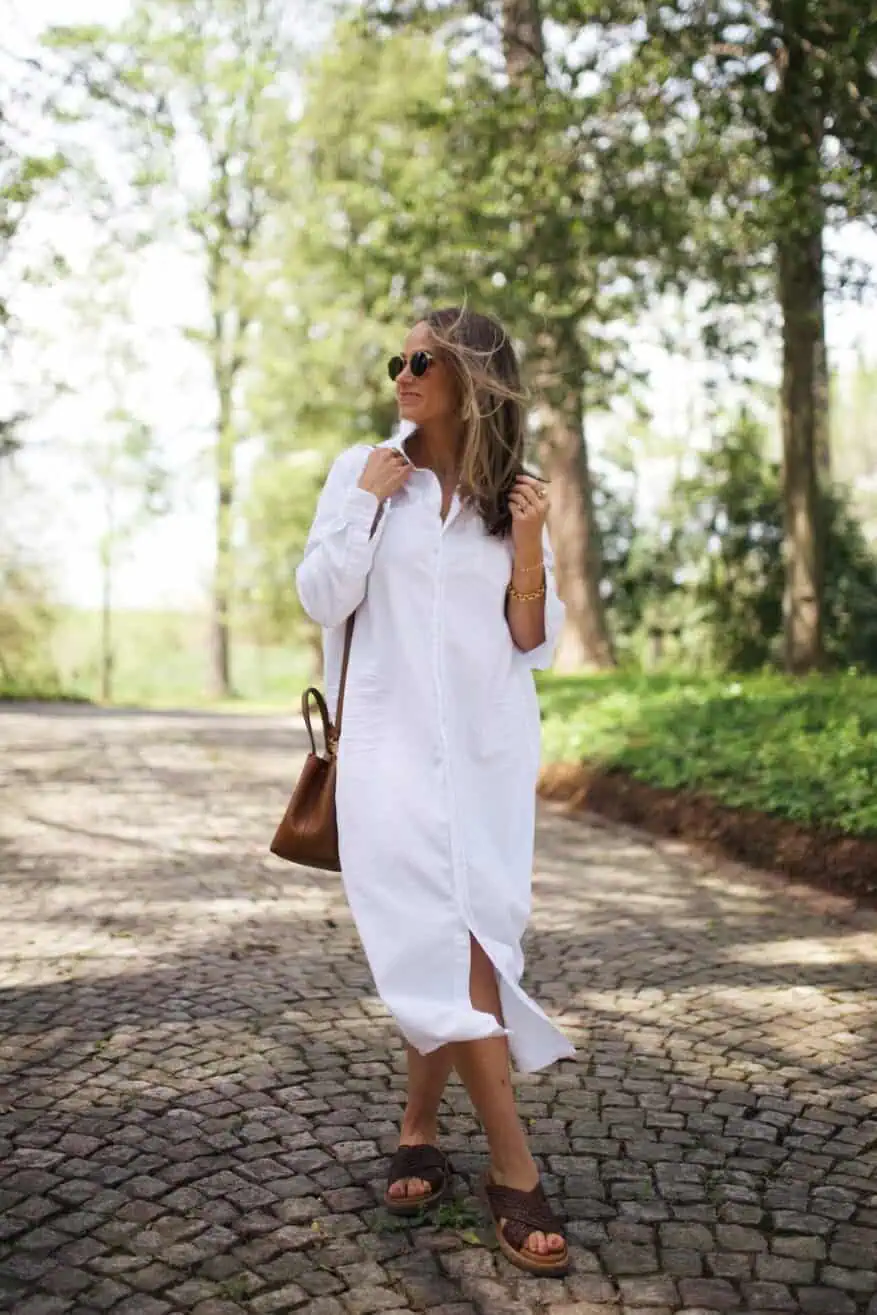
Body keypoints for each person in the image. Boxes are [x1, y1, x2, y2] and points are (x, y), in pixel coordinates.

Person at [296, 306, 575, 1276]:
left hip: (490, 757)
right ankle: (515, 1170)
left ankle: (419, 1127)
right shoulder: (362, 471)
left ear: (473, 379)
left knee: (472, 932)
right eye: (399, 359)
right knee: (454, 945)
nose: (403, 374)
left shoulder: (513, 493)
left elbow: (535, 640)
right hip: (389, 753)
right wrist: (369, 503)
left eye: (423, 360)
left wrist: (532, 554)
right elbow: (319, 596)